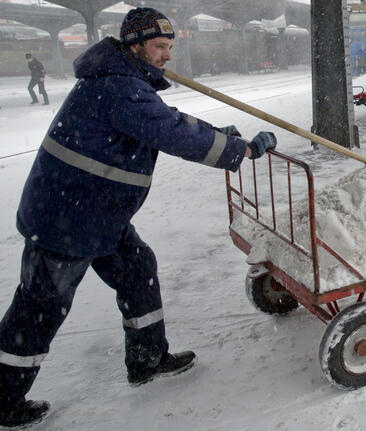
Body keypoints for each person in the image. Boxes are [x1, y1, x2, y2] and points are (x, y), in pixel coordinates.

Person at [0, 7, 277, 428]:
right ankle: (3, 399)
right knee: (40, 307)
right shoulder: (117, 88)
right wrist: (243, 151)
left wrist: (222, 137)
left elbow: (167, 121)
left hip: (95, 212)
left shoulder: (124, 83)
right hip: (65, 218)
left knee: (137, 270)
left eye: (170, 47)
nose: (167, 56)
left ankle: (147, 359)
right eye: (159, 47)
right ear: (134, 45)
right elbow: (172, 131)